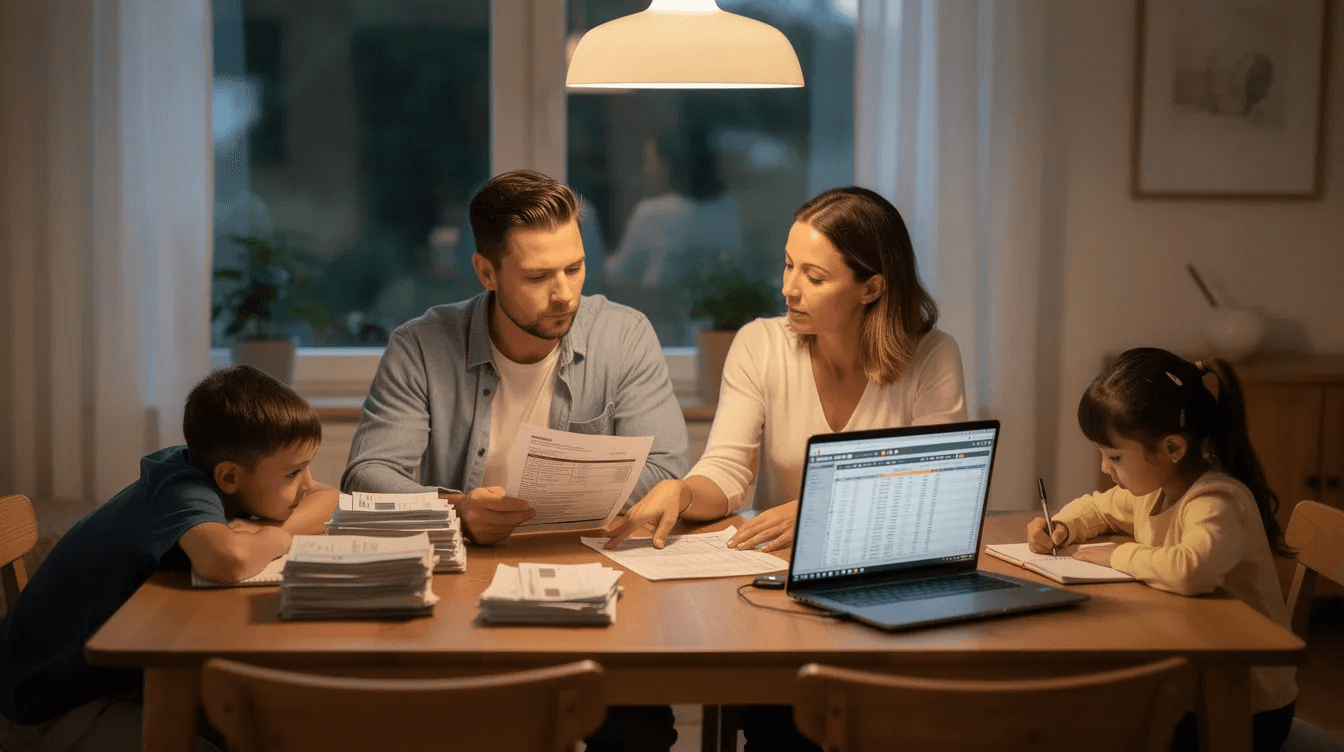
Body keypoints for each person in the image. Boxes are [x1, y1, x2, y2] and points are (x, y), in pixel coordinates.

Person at [609, 185, 966, 751]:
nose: (788, 288)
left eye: (814, 277)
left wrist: (821, 514)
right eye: (787, 265)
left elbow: (937, 493)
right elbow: (726, 471)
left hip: (890, 590)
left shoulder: (932, 355)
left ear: (871, 287)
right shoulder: (760, 344)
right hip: (787, 596)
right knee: (780, 730)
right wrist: (681, 491)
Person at [341, 168, 687, 752]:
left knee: (639, 731)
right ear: (486, 271)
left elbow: (667, 468)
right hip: (462, 594)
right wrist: (457, 510)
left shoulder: (625, 335)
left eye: (575, 268)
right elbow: (366, 476)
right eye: (537, 276)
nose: (565, 294)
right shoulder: (421, 346)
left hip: (593, 584)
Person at [0, 365, 339, 752]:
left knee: (270, 724)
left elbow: (329, 500)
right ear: (229, 478)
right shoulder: (181, 488)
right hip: (50, 708)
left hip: (112, 682)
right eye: (294, 473)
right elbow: (226, 561)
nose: (308, 484)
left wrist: (265, 535)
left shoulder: (214, 471)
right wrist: (274, 537)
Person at [1028, 348, 1296, 752]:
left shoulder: (1218, 500)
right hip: (1197, 680)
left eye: (1114, 456)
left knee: (1086, 724)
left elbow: (1191, 569)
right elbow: (1100, 506)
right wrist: (1063, 526)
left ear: (1172, 448)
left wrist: (1115, 556)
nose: (1105, 469)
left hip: (1245, 706)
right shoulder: (1156, 490)